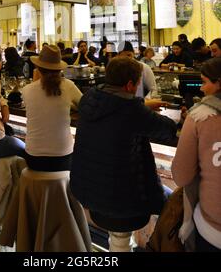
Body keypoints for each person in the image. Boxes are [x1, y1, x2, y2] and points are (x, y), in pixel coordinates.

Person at [70, 57, 177, 252]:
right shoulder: (131, 110)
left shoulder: (90, 99)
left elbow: (117, 110)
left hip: (91, 193)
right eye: (137, 85)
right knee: (175, 200)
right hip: (125, 202)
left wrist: (142, 104)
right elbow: (167, 130)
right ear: (129, 85)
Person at [172, 57, 221, 252]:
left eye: (204, 82)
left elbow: (181, 176)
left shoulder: (199, 117)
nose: (201, 88)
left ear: (218, 83)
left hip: (214, 230)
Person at [22, 45, 82, 171]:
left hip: (34, 158)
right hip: (63, 157)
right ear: (59, 68)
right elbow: (84, 104)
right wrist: (69, 105)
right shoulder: (68, 86)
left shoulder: (26, 90)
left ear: (38, 67)